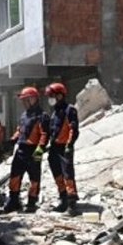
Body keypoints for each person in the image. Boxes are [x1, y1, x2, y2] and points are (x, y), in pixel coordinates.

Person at [2, 86, 49, 214]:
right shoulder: (24, 115)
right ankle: (14, 201)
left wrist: (40, 149)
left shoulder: (42, 116)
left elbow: (44, 134)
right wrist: (12, 140)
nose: (23, 103)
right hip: (21, 150)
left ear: (33, 99)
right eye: (23, 100)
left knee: (34, 179)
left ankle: (32, 202)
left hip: (34, 150)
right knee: (15, 176)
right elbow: (20, 130)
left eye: (26, 100)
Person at [45, 82, 81, 216]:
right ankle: (63, 199)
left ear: (60, 95)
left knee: (67, 175)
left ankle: (72, 204)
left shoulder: (69, 110)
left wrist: (69, 145)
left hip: (64, 147)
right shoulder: (55, 112)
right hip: (54, 148)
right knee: (57, 174)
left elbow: (73, 129)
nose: (50, 99)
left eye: (52, 96)